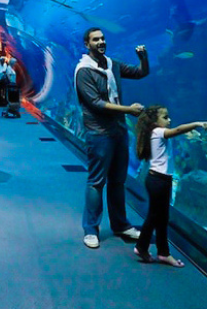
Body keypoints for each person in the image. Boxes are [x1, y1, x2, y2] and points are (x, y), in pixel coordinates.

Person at [75, 27, 149, 249]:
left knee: (118, 181)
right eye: (95, 39)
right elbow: (95, 103)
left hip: (118, 131)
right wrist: (128, 110)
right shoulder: (83, 71)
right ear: (87, 44)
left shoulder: (112, 64)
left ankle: (121, 225)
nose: (101, 42)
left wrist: (143, 58)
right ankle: (90, 229)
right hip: (99, 132)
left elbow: (139, 73)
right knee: (96, 182)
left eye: (103, 38)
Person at [134, 106, 207, 267]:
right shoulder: (157, 132)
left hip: (161, 180)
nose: (169, 120)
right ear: (155, 121)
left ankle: (163, 253)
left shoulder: (156, 133)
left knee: (162, 218)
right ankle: (142, 247)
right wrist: (197, 123)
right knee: (155, 216)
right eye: (165, 117)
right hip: (158, 181)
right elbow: (177, 130)